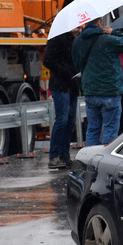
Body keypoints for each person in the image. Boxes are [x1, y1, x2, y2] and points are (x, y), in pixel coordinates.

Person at [73, 17, 123, 146]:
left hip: (90, 91)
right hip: (110, 90)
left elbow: (76, 63)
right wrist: (114, 32)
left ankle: (89, 160)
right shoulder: (108, 40)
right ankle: (104, 162)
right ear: (99, 22)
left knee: (92, 129)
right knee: (110, 130)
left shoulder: (78, 41)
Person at [43, 24, 82, 169]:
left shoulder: (75, 40)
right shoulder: (57, 39)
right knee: (62, 119)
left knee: (70, 121)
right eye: (77, 27)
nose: (79, 30)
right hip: (60, 85)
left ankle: (64, 155)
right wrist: (67, 72)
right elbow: (48, 60)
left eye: (80, 27)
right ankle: (54, 156)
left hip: (72, 85)